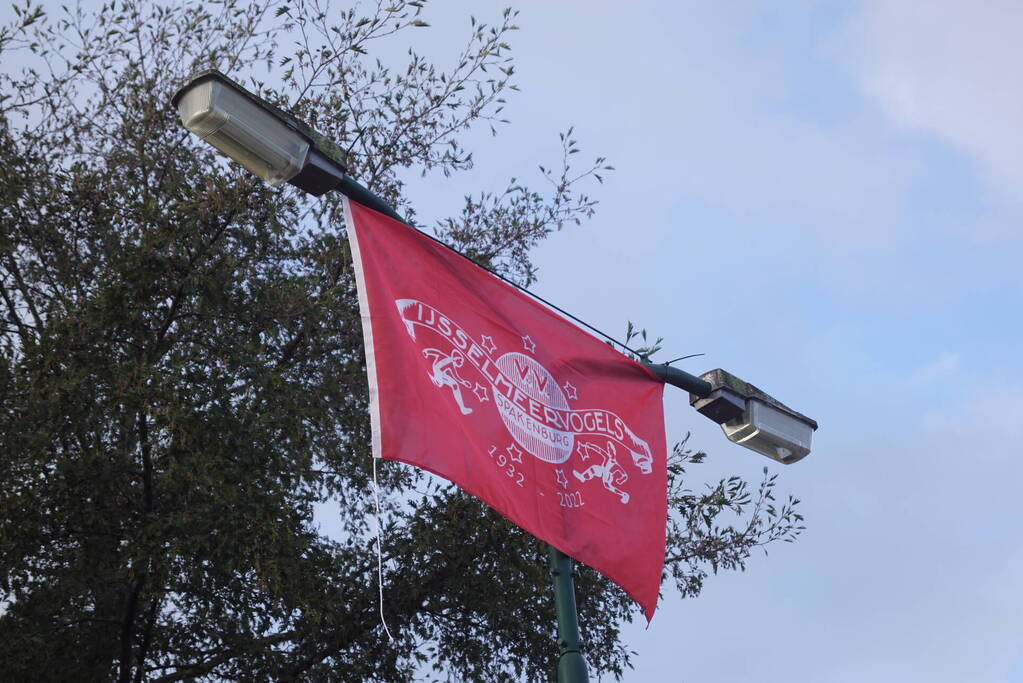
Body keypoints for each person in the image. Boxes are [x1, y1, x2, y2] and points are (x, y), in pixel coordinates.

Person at [423, 348, 473, 415]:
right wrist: (427, 352)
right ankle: (434, 378)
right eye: (460, 360)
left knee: (455, 385)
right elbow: (437, 352)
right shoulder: (444, 357)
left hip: (442, 374)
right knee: (440, 384)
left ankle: (463, 408)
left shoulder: (451, 365)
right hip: (437, 371)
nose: (460, 363)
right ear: (455, 358)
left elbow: (455, 376)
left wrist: (463, 382)